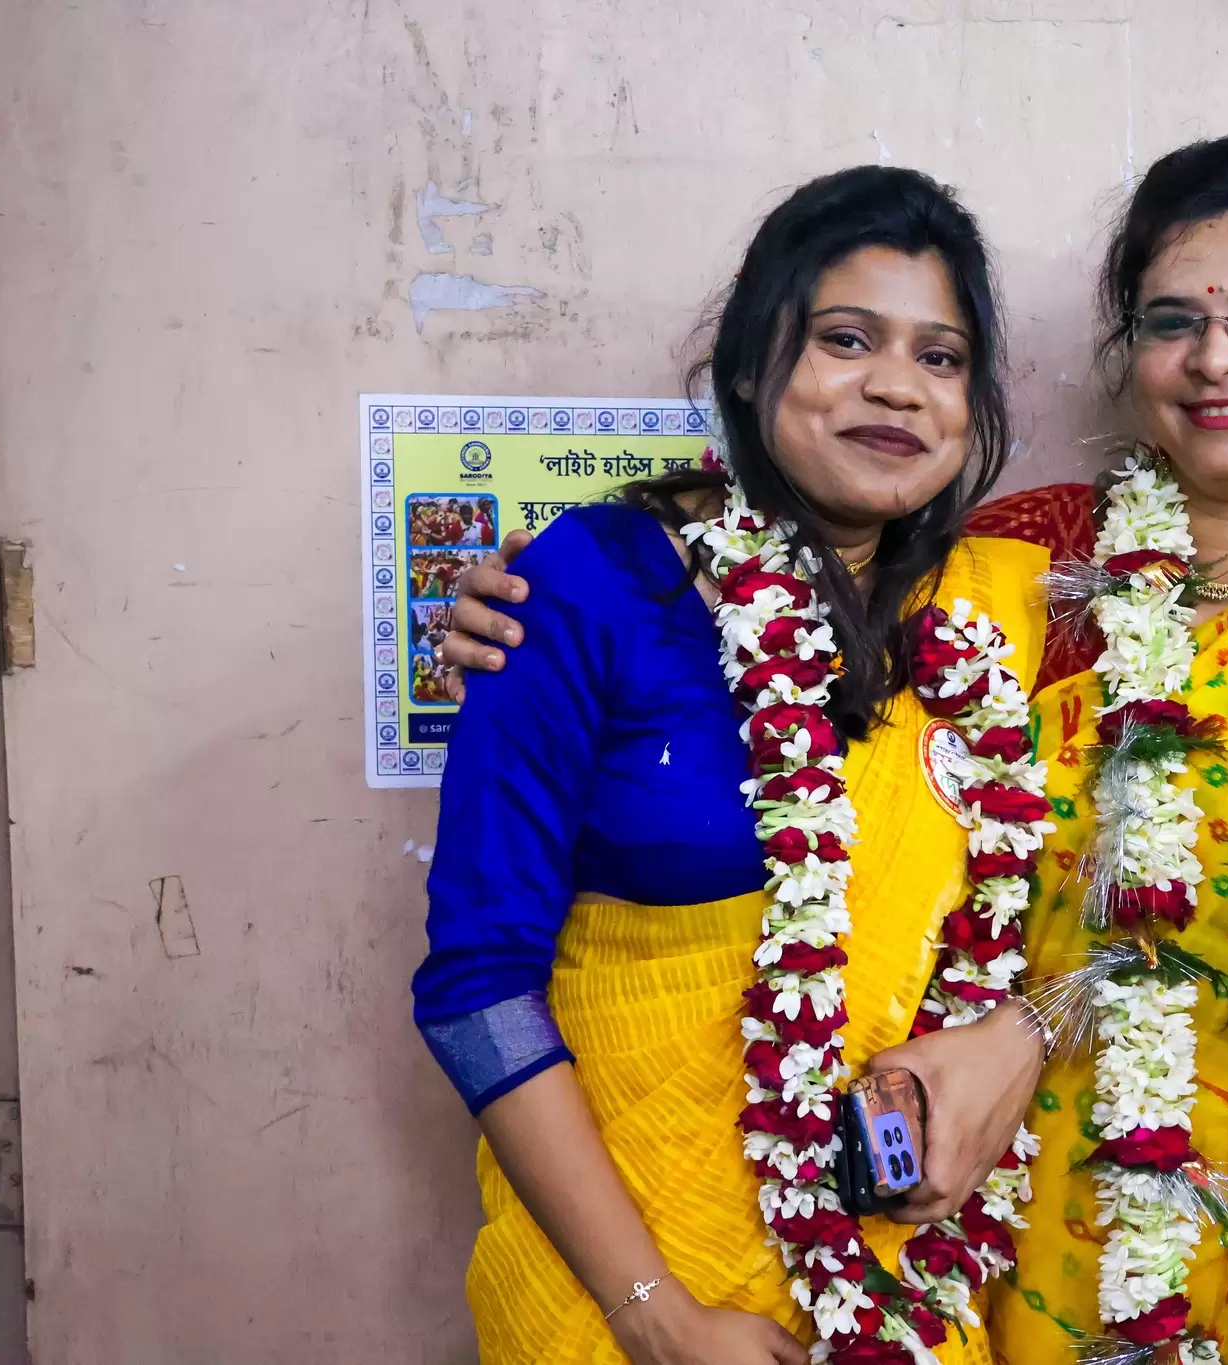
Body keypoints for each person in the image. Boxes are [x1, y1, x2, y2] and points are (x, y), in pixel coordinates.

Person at [446, 135, 1228, 1365]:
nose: (1217, 357)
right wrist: (530, 613)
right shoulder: (1030, 574)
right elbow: (779, 619)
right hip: (1041, 1242)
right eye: (1172, 321)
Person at [415, 165, 1060, 1365]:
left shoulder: (1004, 609)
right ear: (753, 363)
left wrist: (1023, 1032)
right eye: (845, 339)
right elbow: (476, 990)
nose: (896, 387)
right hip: (620, 1300)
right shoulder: (589, 587)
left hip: (902, 1289)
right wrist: (652, 1314)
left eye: (940, 357)